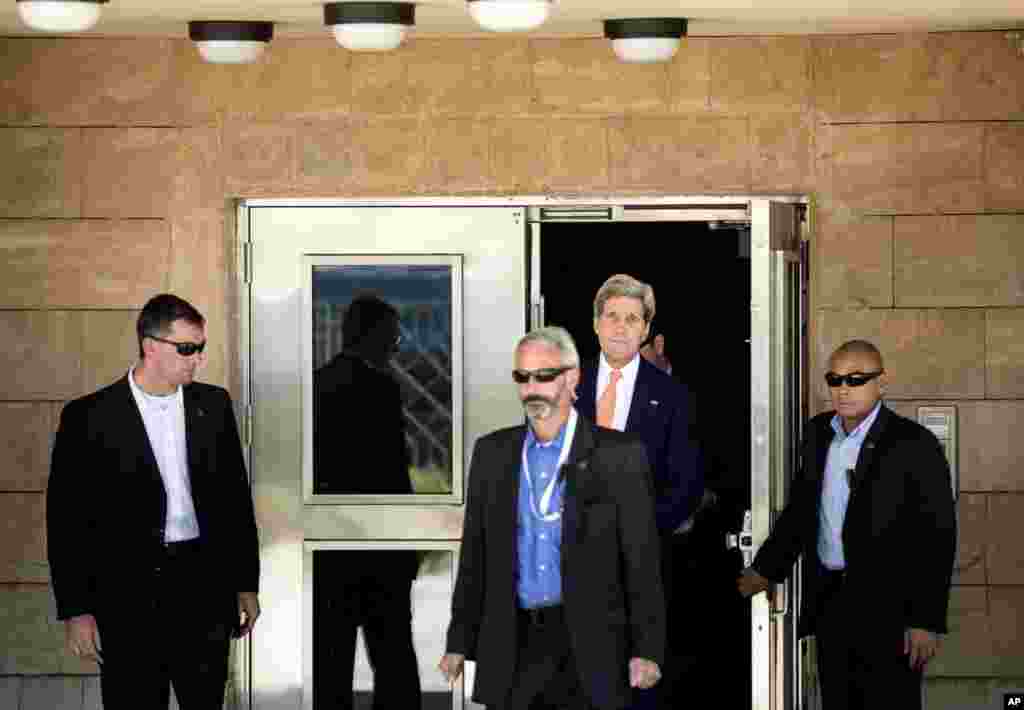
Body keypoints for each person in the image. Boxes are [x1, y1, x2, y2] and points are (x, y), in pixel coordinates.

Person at [46, 294, 261, 710]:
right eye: (187, 348)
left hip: (204, 587)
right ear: (150, 345)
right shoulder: (89, 417)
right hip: (128, 596)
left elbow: (234, 501)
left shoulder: (213, 406)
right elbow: (67, 521)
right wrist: (77, 610)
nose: (197, 359)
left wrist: (245, 583)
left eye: (200, 348)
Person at [439, 326, 665, 710]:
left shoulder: (618, 455)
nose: (532, 389)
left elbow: (641, 560)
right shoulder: (493, 454)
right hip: (512, 641)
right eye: (522, 377)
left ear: (572, 376)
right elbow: (474, 555)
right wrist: (458, 641)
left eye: (544, 376)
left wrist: (647, 649)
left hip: (590, 645)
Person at [738, 339, 956, 710]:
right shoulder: (819, 434)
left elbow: (936, 538)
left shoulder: (913, 444)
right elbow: (802, 512)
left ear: (881, 383)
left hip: (890, 611)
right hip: (832, 604)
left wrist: (925, 620)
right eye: (835, 380)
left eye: (856, 379)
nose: (843, 389)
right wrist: (766, 570)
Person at [575, 274, 701, 709]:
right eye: (612, 316)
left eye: (632, 318)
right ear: (595, 323)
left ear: (646, 329)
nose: (621, 327)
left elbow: (686, 484)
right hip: (570, 562)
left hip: (641, 567)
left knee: (638, 689)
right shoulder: (564, 387)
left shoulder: (671, 395)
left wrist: (638, 532)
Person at [313, 295, 421, 710]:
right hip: (379, 548)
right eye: (392, 338)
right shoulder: (381, 389)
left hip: (331, 547)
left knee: (331, 661)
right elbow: (393, 472)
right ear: (372, 335)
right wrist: (408, 542)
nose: (396, 347)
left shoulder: (318, 384)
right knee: (393, 656)